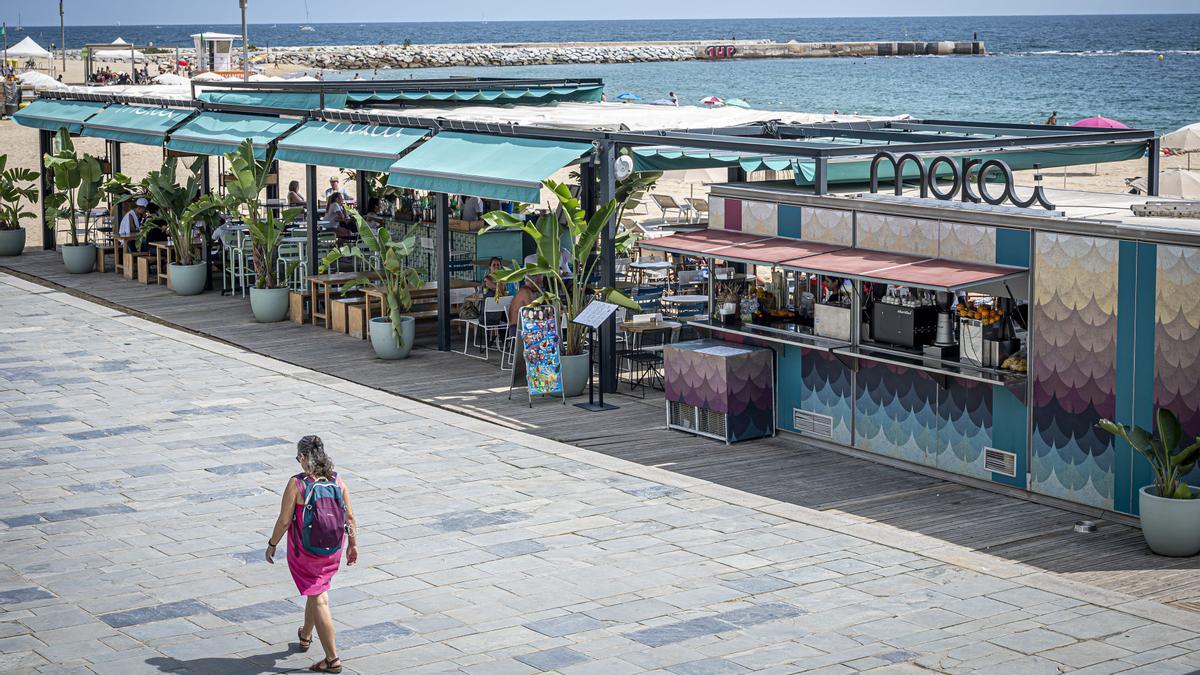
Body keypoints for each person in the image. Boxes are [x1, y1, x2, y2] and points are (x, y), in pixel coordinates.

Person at [266, 436, 357, 675]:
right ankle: (306, 634)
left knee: (319, 597)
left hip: (304, 552)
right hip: (333, 550)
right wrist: (353, 545)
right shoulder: (337, 480)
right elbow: (350, 518)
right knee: (316, 590)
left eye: (298, 457)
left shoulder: (297, 484)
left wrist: (272, 544)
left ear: (304, 458)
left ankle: (332, 659)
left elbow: (285, 520)